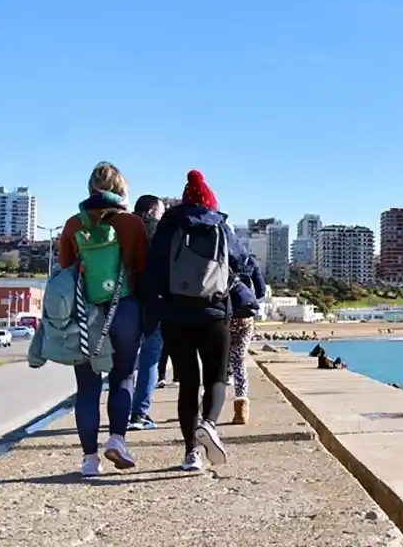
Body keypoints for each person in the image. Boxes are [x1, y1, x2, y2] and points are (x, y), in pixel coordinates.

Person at [145, 170, 257, 471]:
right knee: (217, 379)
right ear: (209, 199)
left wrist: (153, 308)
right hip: (214, 313)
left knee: (188, 385)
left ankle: (191, 454)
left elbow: (153, 269)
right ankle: (208, 423)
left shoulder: (169, 225)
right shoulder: (220, 225)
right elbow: (244, 262)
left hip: (174, 314)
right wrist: (253, 293)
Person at [57, 161, 148, 476]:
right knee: (123, 377)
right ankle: (117, 440)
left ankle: (89, 460)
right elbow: (141, 266)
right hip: (124, 308)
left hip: (86, 313)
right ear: (121, 190)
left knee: (86, 387)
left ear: (90, 189)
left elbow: (65, 267)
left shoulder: (73, 224)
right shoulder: (132, 223)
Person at [128, 194, 166, 430]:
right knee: (150, 358)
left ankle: (121, 410)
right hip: (154, 302)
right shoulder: (159, 233)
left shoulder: (124, 228)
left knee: (125, 359)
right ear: (152, 212)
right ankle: (139, 414)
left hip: (126, 300)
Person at [227, 252, 267, 424]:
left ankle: (205, 408)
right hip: (245, 316)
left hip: (224, 314)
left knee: (217, 362)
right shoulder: (249, 260)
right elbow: (261, 290)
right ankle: (241, 410)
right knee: (239, 361)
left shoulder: (218, 254)